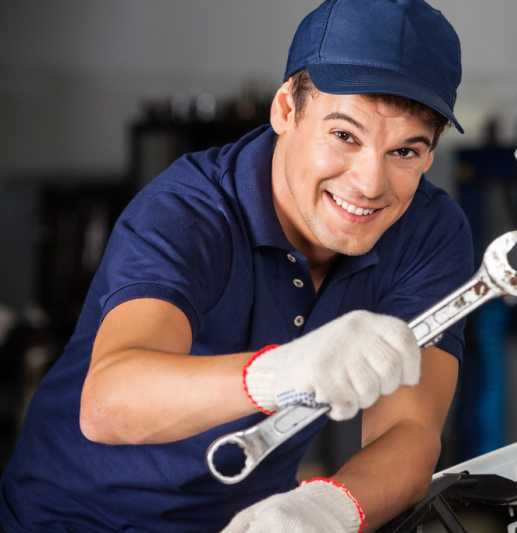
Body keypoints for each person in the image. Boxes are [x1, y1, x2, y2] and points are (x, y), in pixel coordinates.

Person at [0, 1, 473, 531]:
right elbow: (108, 403)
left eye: (405, 152)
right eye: (345, 136)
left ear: (430, 155)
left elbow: (409, 428)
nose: (369, 183)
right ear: (286, 112)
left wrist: (328, 507)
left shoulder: (429, 232)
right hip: (69, 519)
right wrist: (280, 373)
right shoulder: (187, 210)